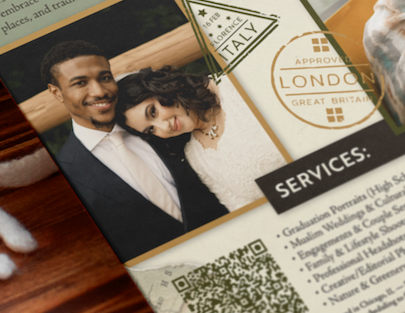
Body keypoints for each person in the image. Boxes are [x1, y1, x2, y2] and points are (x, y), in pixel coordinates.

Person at [40, 38, 228, 260]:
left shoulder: (163, 119)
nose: (99, 91)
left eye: (105, 77)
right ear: (56, 92)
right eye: (80, 83)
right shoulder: (66, 174)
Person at [117, 68, 284, 212]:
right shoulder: (195, 157)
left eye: (153, 112)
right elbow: (240, 208)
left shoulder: (236, 85)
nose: (164, 127)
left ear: (160, 87)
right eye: (151, 129)